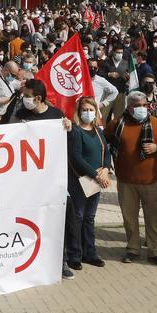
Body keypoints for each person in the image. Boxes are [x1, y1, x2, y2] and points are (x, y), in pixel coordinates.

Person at [105, 92, 157, 266]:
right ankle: (133, 248)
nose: (142, 108)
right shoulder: (117, 124)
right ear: (129, 107)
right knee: (129, 218)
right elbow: (104, 141)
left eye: (144, 105)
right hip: (125, 180)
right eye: (137, 105)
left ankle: (155, 251)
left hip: (151, 181)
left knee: (153, 218)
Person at [66, 96, 112, 271]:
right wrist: (95, 175)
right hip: (80, 181)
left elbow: (106, 152)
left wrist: (106, 169)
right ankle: (74, 255)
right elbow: (76, 157)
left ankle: (90, 253)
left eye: (91, 110)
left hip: (95, 182)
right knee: (77, 217)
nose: (88, 112)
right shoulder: (76, 132)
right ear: (79, 112)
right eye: (84, 110)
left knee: (89, 218)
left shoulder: (98, 131)